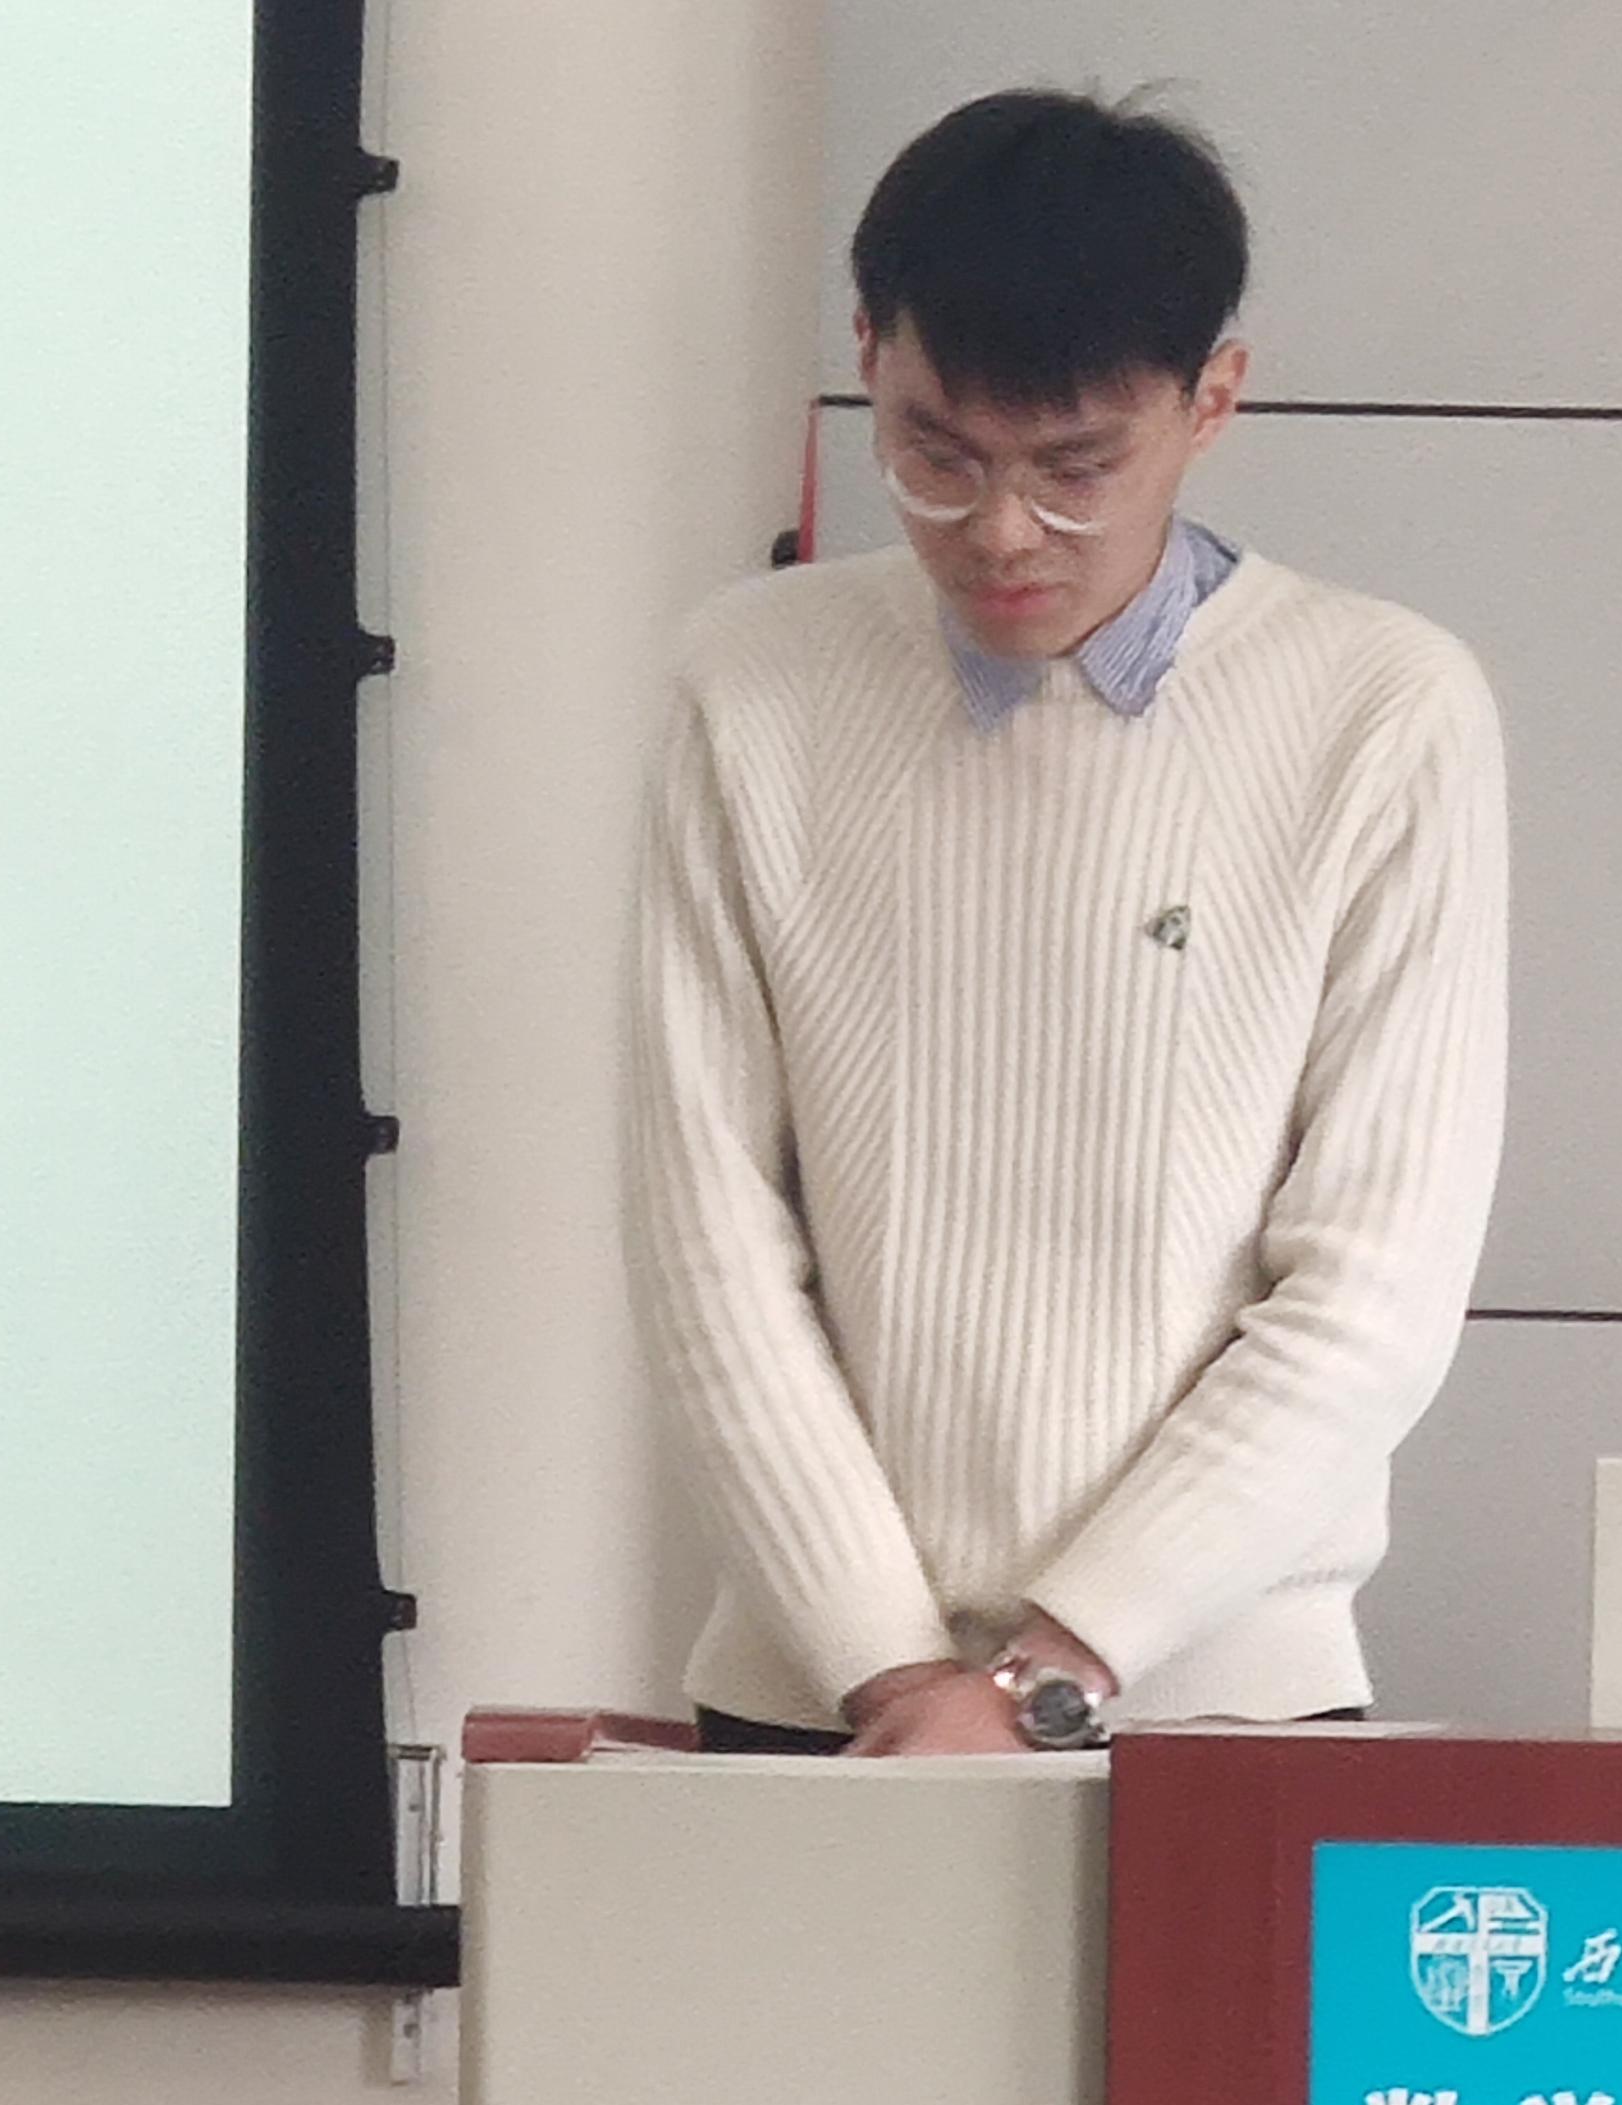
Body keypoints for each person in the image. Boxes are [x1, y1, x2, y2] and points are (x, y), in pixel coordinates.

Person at [629, 87, 1507, 1757]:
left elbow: (1373, 1288)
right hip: (821, 1700)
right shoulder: (750, 683)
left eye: (1077, 468)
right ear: (868, 355)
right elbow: (707, 1239)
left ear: (1211, 399)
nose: (1001, 533)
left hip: (1218, 1703)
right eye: (936, 456)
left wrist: (1052, 1670)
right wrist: (892, 1673)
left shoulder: (1383, 712)